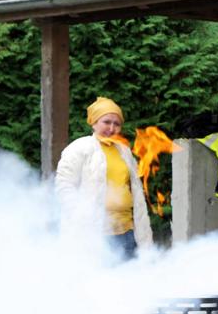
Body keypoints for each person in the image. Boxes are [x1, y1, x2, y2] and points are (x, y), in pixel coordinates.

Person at [55, 96, 153, 259]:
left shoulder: (124, 151)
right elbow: (64, 186)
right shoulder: (79, 148)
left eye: (117, 124)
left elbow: (133, 190)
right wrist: (81, 216)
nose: (112, 128)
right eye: (106, 122)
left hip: (127, 233)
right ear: (94, 122)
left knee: (130, 280)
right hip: (95, 234)